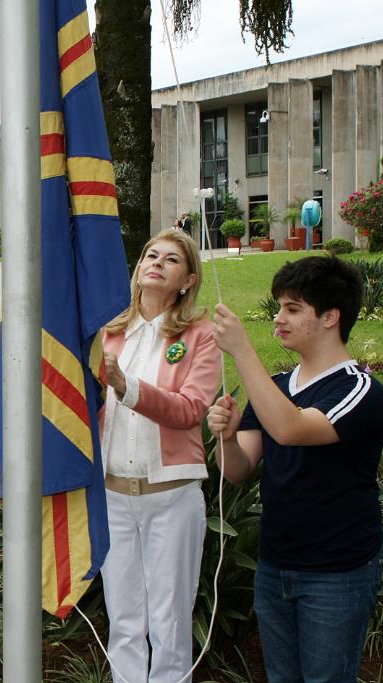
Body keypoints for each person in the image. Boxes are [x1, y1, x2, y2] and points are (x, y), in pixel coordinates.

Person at [207, 256, 383, 683]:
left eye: (293, 308)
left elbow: (290, 430)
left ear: (330, 317)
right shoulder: (278, 385)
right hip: (275, 563)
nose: (279, 318)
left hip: (337, 572)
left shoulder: (359, 389)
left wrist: (242, 349)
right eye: (279, 307)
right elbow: (238, 470)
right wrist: (228, 437)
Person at [98, 228, 221, 683]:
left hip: (171, 498)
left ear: (187, 280)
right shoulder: (109, 331)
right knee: (124, 620)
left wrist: (127, 387)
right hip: (112, 496)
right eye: (151, 254)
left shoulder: (199, 335)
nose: (156, 262)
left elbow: (191, 409)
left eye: (171, 259)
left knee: (169, 623)